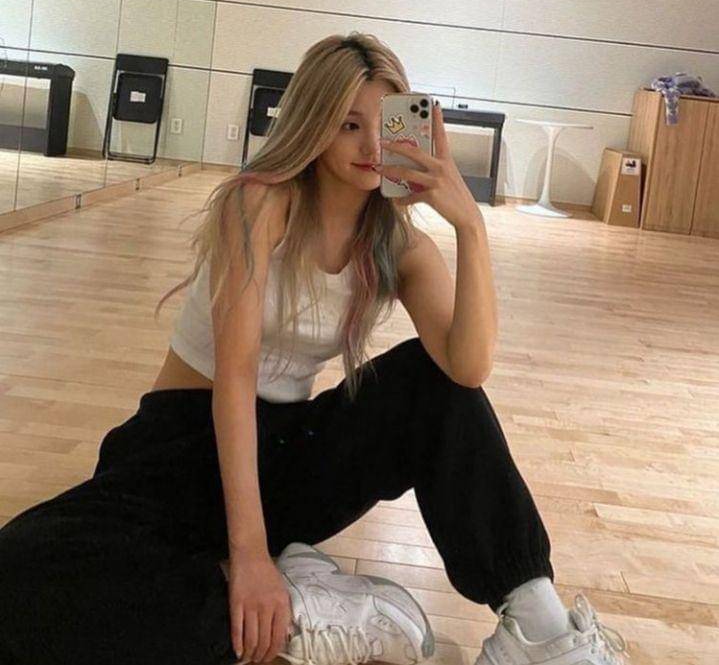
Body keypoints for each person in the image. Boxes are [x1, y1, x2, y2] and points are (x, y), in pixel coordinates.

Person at [0, 32, 629, 665]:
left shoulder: (400, 247)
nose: (372, 146)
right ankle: (301, 611)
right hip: (183, 443)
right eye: (348, 125)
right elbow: (236, 378)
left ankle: (537, 623)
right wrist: (250, 557)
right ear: (314, 124)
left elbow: (469, 368)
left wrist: (470, 224)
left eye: (384, 124)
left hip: (286, 452)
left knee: (432, 381)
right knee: (21, 576)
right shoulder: (260, 201)